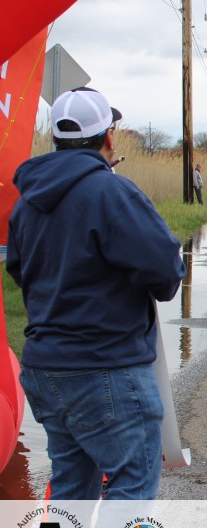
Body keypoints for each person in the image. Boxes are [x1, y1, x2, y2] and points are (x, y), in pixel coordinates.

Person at [5, 87, 185, 500]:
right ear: (108, 137)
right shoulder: (112, 192)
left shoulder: (27, 202)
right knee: (131, 488)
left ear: (55, 138)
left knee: (70, 487)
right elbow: (164, 273)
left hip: (45, 369)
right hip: (106, 366)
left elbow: (20, 271)